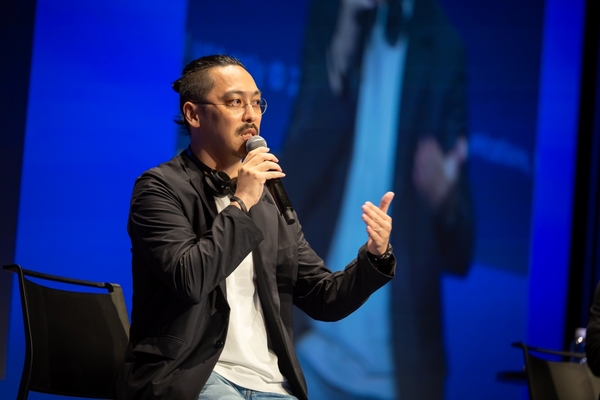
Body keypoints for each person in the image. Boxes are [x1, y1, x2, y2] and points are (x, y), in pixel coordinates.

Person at [118, 54, 396, 400]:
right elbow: (191, 279)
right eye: (235, 102)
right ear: (193, 114)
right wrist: (242, 202)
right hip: (193, 378)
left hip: (272, 385)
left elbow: (323, 298)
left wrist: (375, 257)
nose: (251, 115)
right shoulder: (160, 189)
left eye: (256, 102)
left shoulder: (268, 201)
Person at [280, 0, 475, 398]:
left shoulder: (444, 46)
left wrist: (445, 199)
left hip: (396, 372)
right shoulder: (332, 16)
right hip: (308, 348)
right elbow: (294, 181)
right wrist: (342, 46)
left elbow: (460, 253)